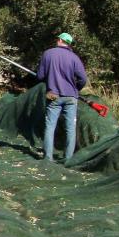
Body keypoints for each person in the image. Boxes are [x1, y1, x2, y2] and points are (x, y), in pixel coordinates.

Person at [36, 32, 87, 163]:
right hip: (71, 97)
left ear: (59, 40)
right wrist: (76, 89)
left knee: (50, 126)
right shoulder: (74, 58)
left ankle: (48, 158)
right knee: (70, 128)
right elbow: (82, 79)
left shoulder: (48, 54)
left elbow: (40, 76)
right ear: (68, 43)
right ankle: (68, 158)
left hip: (53, 95)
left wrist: (48, 78)